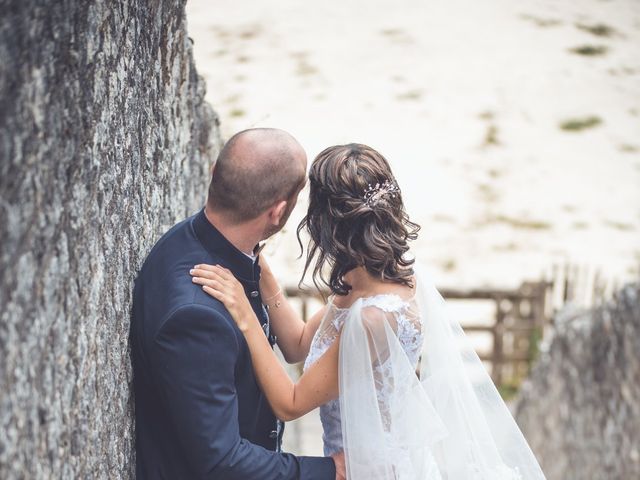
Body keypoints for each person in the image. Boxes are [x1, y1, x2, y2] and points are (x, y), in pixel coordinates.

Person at [191, 143, 548, 479]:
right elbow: (299, 344)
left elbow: (291, 402)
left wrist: (243, 311)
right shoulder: (369, 272)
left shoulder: (374, 318)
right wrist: (263, 275)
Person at [130, 128, 343, 479]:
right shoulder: (197, 316)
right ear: (277, 213)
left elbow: (293, 346)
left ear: (216, 172)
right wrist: (327, 471)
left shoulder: (191, 240)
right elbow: (220, 462)